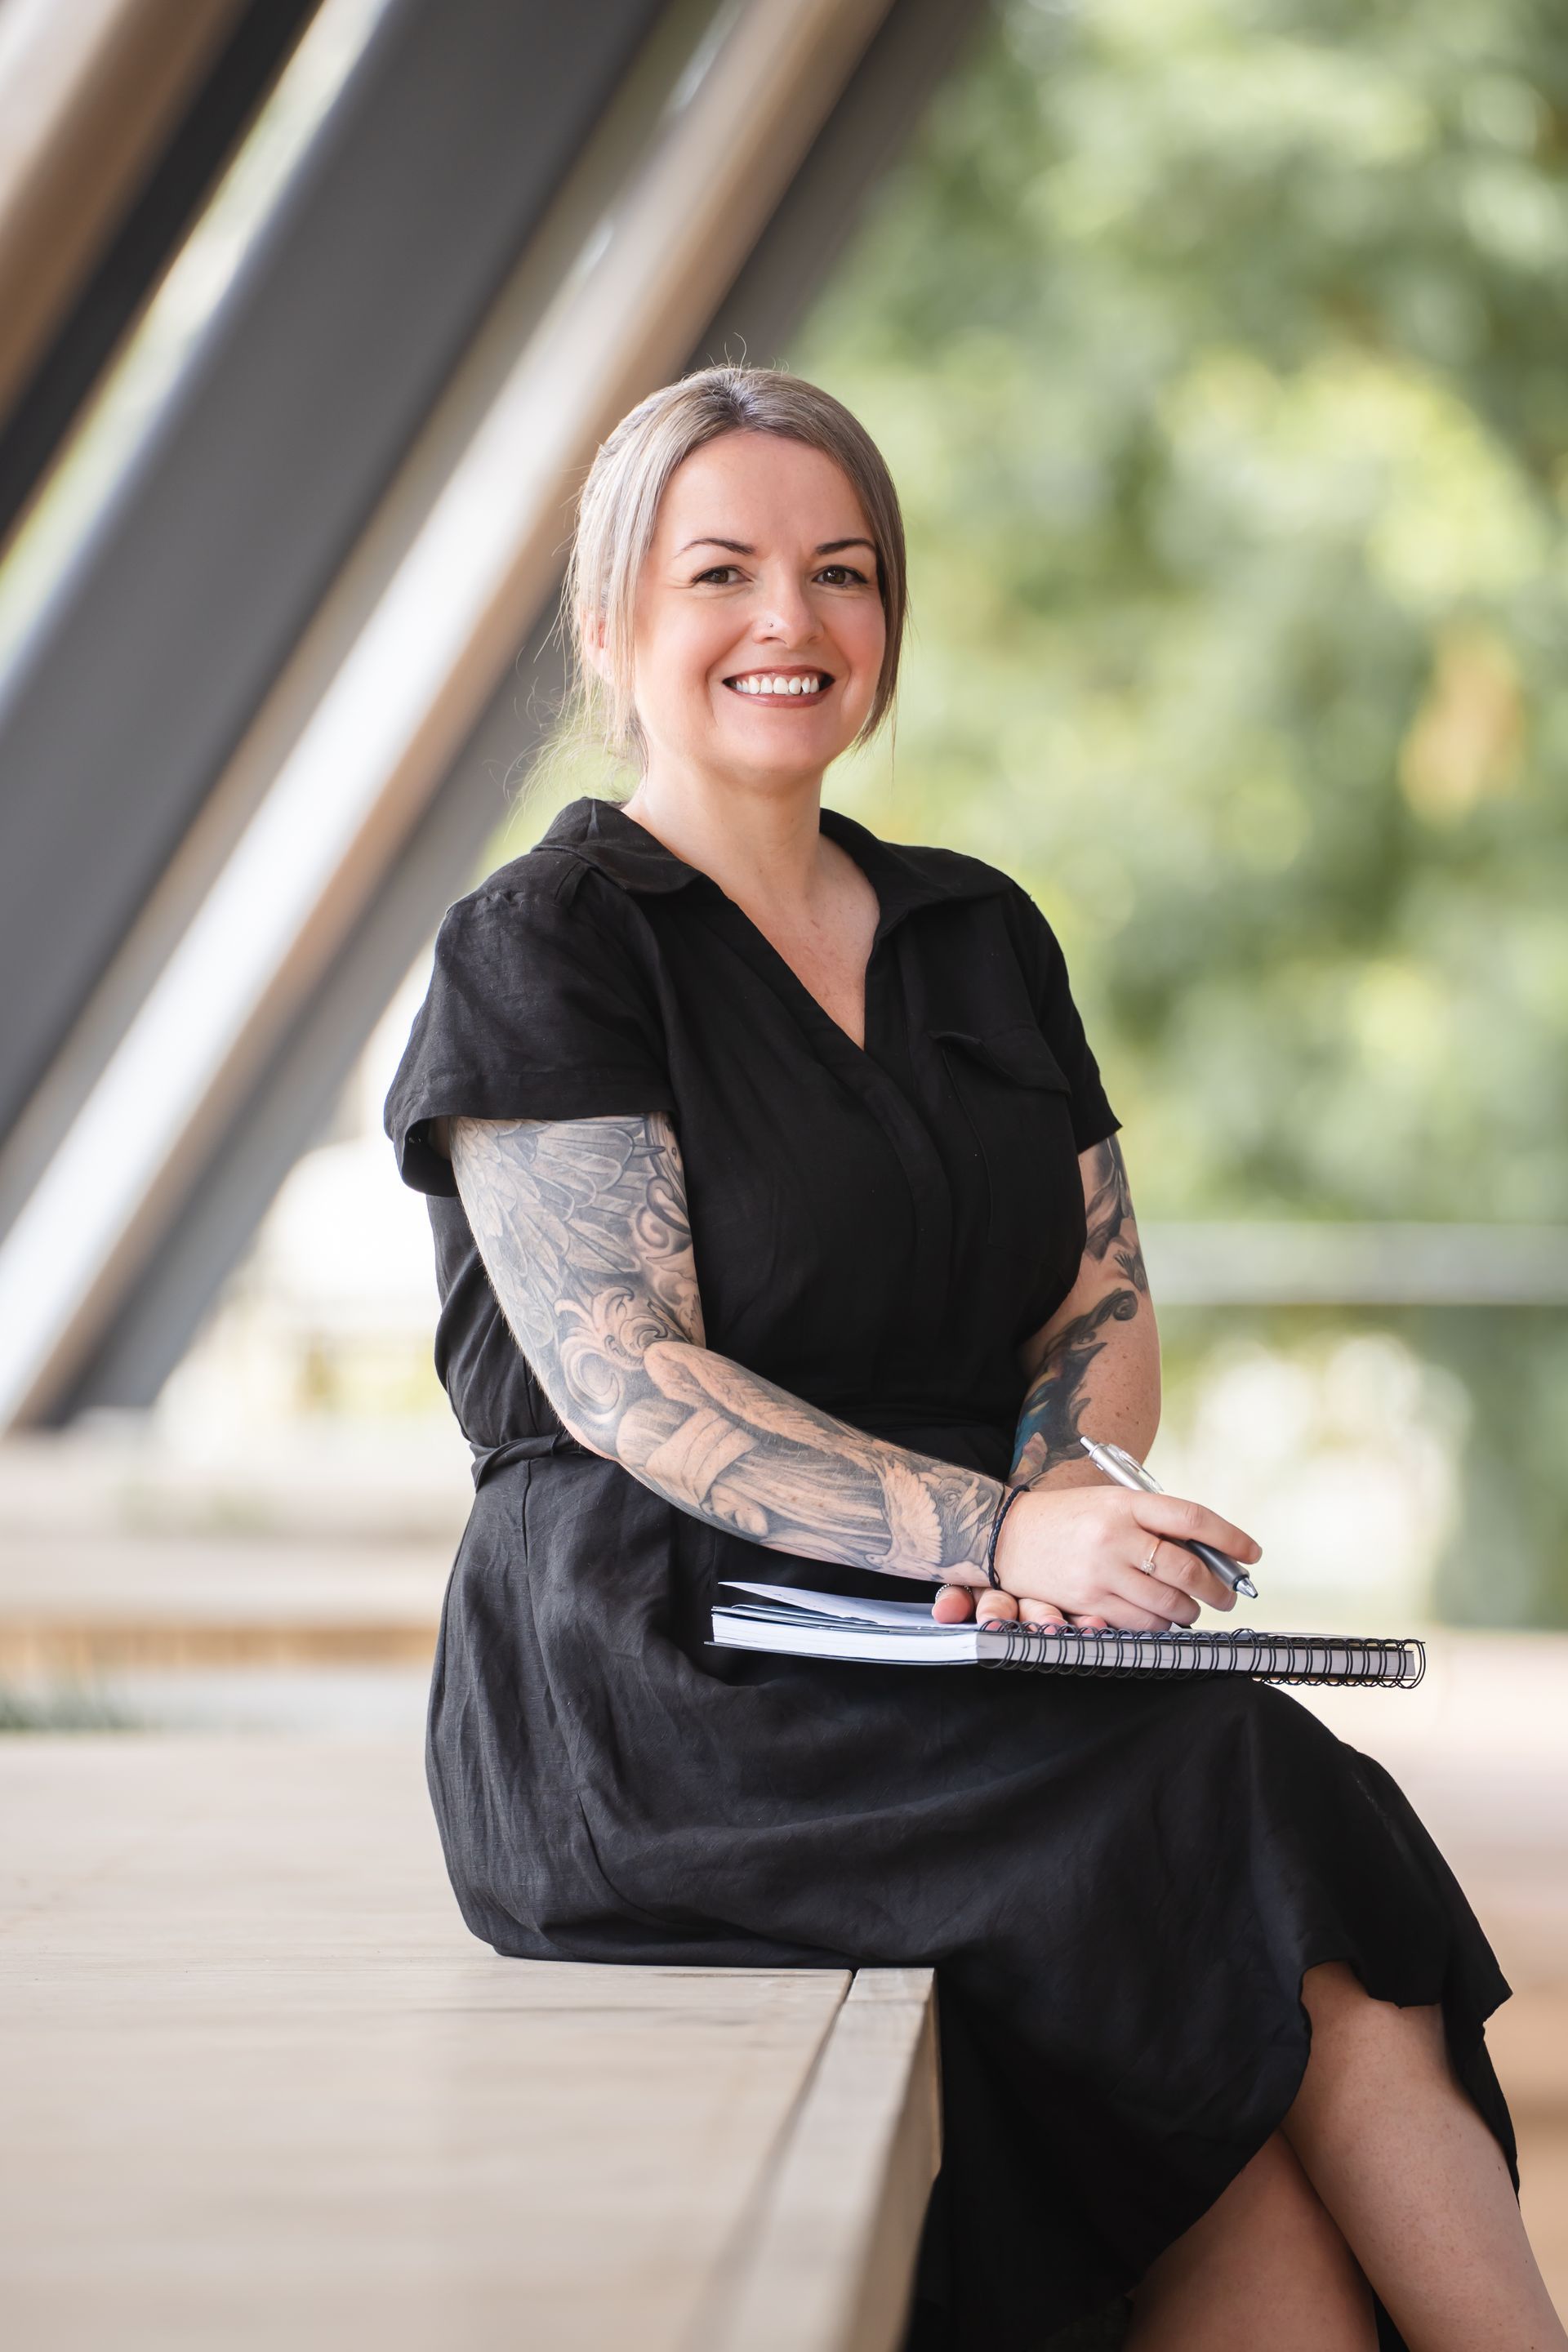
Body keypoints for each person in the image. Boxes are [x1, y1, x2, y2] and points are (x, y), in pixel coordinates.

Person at [385, 366, 1563, 2351]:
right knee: (1244, 1793)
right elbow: (622, 1376)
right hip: (671, 1672)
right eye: (722, 572)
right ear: (611, 619)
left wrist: (1067, 1503)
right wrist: (996, 1533)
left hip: (954, 1640)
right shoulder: (548, 942)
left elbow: (1094, 1301)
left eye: (842, 573)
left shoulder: (977, 933)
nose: (791, 620)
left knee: (1231, 2082)